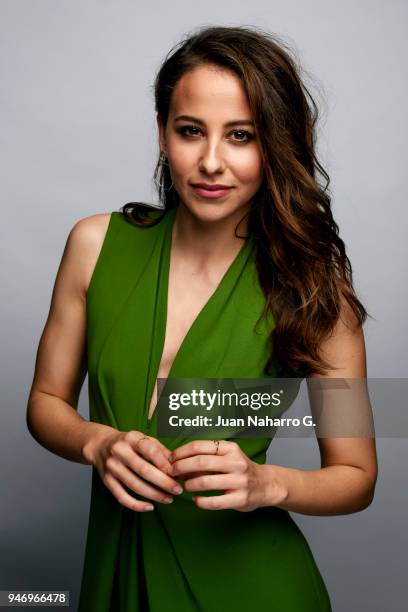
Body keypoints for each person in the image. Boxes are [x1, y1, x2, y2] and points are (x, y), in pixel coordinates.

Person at [26, 25, 378, 611]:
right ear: (162, 134)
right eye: (191, 131)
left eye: (241, 135)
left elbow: (357, 474)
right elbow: (45, 401)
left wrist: (269, 484)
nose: (212, 162)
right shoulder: (94, 246)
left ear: (275, 145)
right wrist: (97, 442)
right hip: (115, 572)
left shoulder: (318, 293)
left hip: (252, 587)